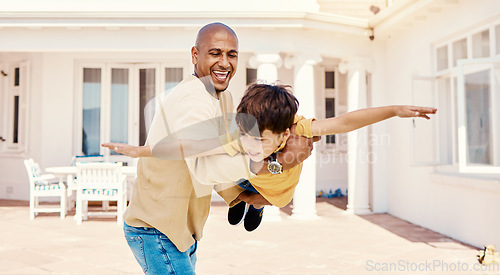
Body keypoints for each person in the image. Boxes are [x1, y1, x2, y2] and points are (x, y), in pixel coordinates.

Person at [115, 22, 317, 274]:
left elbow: (224, 149)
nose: (224, 62)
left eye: (231, 55)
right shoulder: (195, 99)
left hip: (180, 230)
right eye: (215, 53)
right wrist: (277, 164)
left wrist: (239, 195)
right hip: (157, 229)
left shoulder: (223, 96)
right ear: (195, 55)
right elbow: (203, 167)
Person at [105, 83, 437, 233]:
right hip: (239, 175)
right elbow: (185, 144)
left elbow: (346, 121)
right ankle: (237, 200)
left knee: (263, 199)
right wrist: (143, 150)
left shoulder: (299, 130)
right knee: (212, 172)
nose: (252, 143)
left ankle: (252, 205)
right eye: (248, 135)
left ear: (283, 132)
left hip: (274, 186)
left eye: (263, 139)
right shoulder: (238, 131)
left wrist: (394, 110)